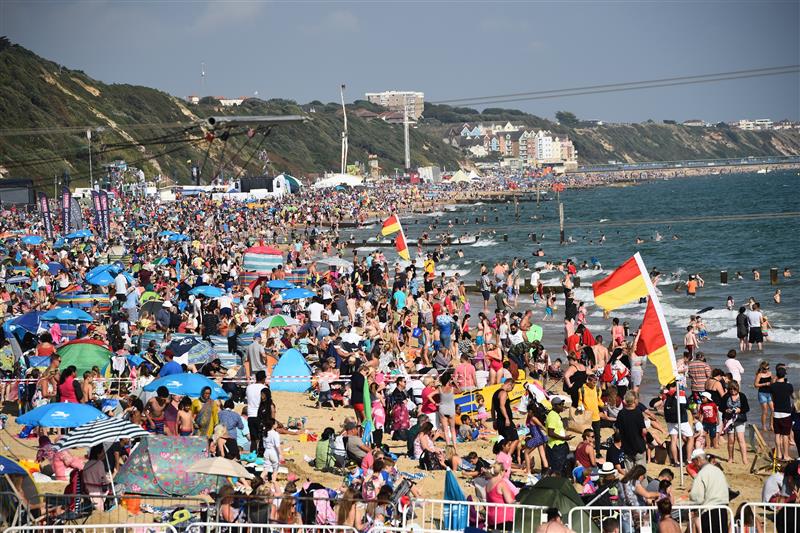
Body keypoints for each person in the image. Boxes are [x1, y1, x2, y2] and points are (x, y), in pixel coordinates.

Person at [688, 449, 730, 533]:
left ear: (698, 459)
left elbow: (697, 497)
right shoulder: (718, 471)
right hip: (723, 510)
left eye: (694, 462)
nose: (694, 465)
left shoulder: (702, 473)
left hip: (709, 512)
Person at [615, 391, 647, 470]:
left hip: (626, 446)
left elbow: (617, 429)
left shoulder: (621, 413)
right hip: (638, 445)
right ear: (635, 400)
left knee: (629, 473)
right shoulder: (638, 413)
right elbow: (644, 431)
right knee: (640, 472)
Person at [769, 366, 794, 460]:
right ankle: (786, 455)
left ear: (777, 375)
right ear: (784, 375)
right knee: (785, 435)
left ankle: (779, 454)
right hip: (786, 413)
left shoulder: (772, 386)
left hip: (776, 412)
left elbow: (772, 398)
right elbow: (793, 397)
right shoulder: (789, 386)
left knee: (777, 434)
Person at [492, 378, 519, 459]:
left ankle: (501, 457)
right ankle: (508, 457)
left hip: (499, 420)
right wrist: (507, 418)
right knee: (515, 439)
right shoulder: (503, 393)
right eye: (512, 387)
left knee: (504, 441)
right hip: (505, 420)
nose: (511, 390)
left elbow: (492, 409)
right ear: (509, 384)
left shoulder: (495, 393)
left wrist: (494, 420)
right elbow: (501, 406)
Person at [545, 397, 572, 475]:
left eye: (562, 404)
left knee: (564, 466)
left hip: (560, 444)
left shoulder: (556, 415)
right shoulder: (552, 416)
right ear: (554, 406)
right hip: (556, 447)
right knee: (558, 469)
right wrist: (564, 438)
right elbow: (550, 432)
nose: (562, 406)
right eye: (560, 404)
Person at [485, 463, 515, 528]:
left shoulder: (488, 484)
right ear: (502, 471)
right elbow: (509, 501)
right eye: (505, 470)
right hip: (504, 518)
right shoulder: (502, 483)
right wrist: (517, 503)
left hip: (491, 518)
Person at [246, 370, 268, 453]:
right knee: (262, 438)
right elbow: (266, 403)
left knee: (253, 439)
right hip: (260, 415)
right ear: (264, 379)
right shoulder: (264, 388)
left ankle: (253, 455)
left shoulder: (249, 387)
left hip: (250, 415)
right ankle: (260, 455)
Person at [754, 361, 774, 432]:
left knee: (773, 410)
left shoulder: (770, 373)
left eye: (768, 368)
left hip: (770, 393)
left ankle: (771, 425)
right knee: (765, 411)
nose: (767, 370)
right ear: (762, 368)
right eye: (766, 369)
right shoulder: (759, 375)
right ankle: (764, 426)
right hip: (762, 393)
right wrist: (765, 384)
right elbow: (756, 385)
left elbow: (772, 381)